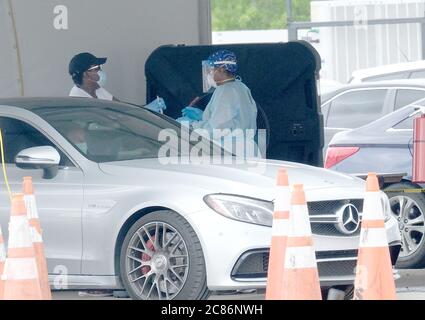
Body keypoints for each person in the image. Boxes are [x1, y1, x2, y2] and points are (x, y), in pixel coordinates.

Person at [178, 49, 259, 157]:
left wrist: (191, 125)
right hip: (244, 149)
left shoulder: (226, 91)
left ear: (221, 70)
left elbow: (215, 129)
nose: (209, 74)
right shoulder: (241, 87)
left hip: (231, 150)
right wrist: (203, 116)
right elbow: (232, 119)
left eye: (211, 70)